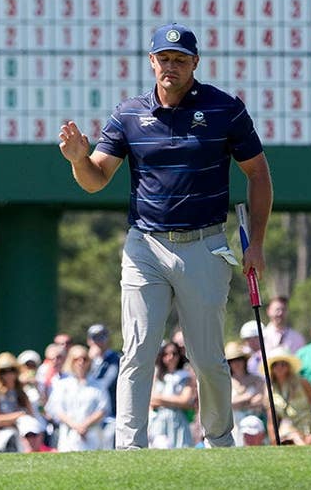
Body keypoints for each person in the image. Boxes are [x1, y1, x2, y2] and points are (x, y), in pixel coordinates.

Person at [58, 22, 273, 449]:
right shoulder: (128, 113)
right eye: (163, 59)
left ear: (195, 63)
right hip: (145, 246)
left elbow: (258, 173)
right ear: (151, 61)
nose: (170, 66)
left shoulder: (225, 109)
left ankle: (218, 441)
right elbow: (96, 178)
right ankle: (130, 447)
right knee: (136, 352)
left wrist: (258, 243)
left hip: (206, 243)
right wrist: (79, 160)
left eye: (179, 59)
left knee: (208, 358)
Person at [45, 344, 109, 452]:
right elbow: (57, 410)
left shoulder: (99, 384)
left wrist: (85, 425)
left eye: (84, 359)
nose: (81, 362)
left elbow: (103, 408)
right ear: (70, 361)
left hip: (92, 434)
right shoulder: (62, 385)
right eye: (76, 359)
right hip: (68, 435)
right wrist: (76, 426)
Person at [267, 349, 311, 445]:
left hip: (308, 427)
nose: (279, 367)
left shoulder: (302, 382)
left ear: (288, 366)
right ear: (272, 368)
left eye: (283, 364)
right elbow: (271, 421)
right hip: (286, 430)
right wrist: (273, 440)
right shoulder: (270, 389)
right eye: (276, 364)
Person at [148, 341, 196, 448]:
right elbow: (151, 400)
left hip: (178, 421)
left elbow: (186, 401)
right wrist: (176, 400)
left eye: (174, 354)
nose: (170, 357)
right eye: (166, 354)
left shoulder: (185, 376)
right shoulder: (156, 375)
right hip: (159, 422)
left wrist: (161, 400)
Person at [225, 341, 266, 446]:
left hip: (256, 422)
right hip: (236, 426)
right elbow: (228, 404)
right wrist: (249, 396)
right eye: (232, 360)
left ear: (244, 360)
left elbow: (261, 400)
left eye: (239, 359)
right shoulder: (226, 382)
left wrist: (240, 403)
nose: (236, 363)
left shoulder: (257, 379)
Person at [86, 324, 121, 420]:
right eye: (95, 337)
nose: (99, 341)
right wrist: (89, 361)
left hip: (111, 412)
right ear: (89, 341)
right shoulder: (85, 360)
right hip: (90, 413)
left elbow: (106, 383)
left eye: (102, 337)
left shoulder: (116, 359)